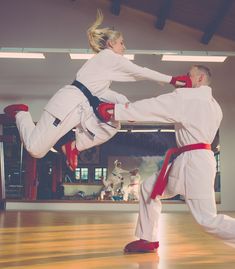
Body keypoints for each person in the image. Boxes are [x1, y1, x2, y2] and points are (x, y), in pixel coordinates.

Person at [3, 9, 191, 171]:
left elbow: (105, 93)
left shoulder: (102, 71)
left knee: (113, 125)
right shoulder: (108, 57)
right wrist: (172, 79)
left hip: (80, 107)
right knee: (36, 150)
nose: (124, 47)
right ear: (111, 44)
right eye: (122, 43)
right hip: (68, 105)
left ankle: (74, 147)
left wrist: (128, 107)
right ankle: (21, 113)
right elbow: (138, 71)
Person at [98, 65, 235, 253]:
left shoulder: (188, 97)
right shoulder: (214, 105)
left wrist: (116, 110)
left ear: (200, 79)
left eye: (189, 75)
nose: (184, 78)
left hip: (193, 164)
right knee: (148, 188)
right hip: (190, 160)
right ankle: (148, 239)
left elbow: (153, 106)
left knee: (207, 220)